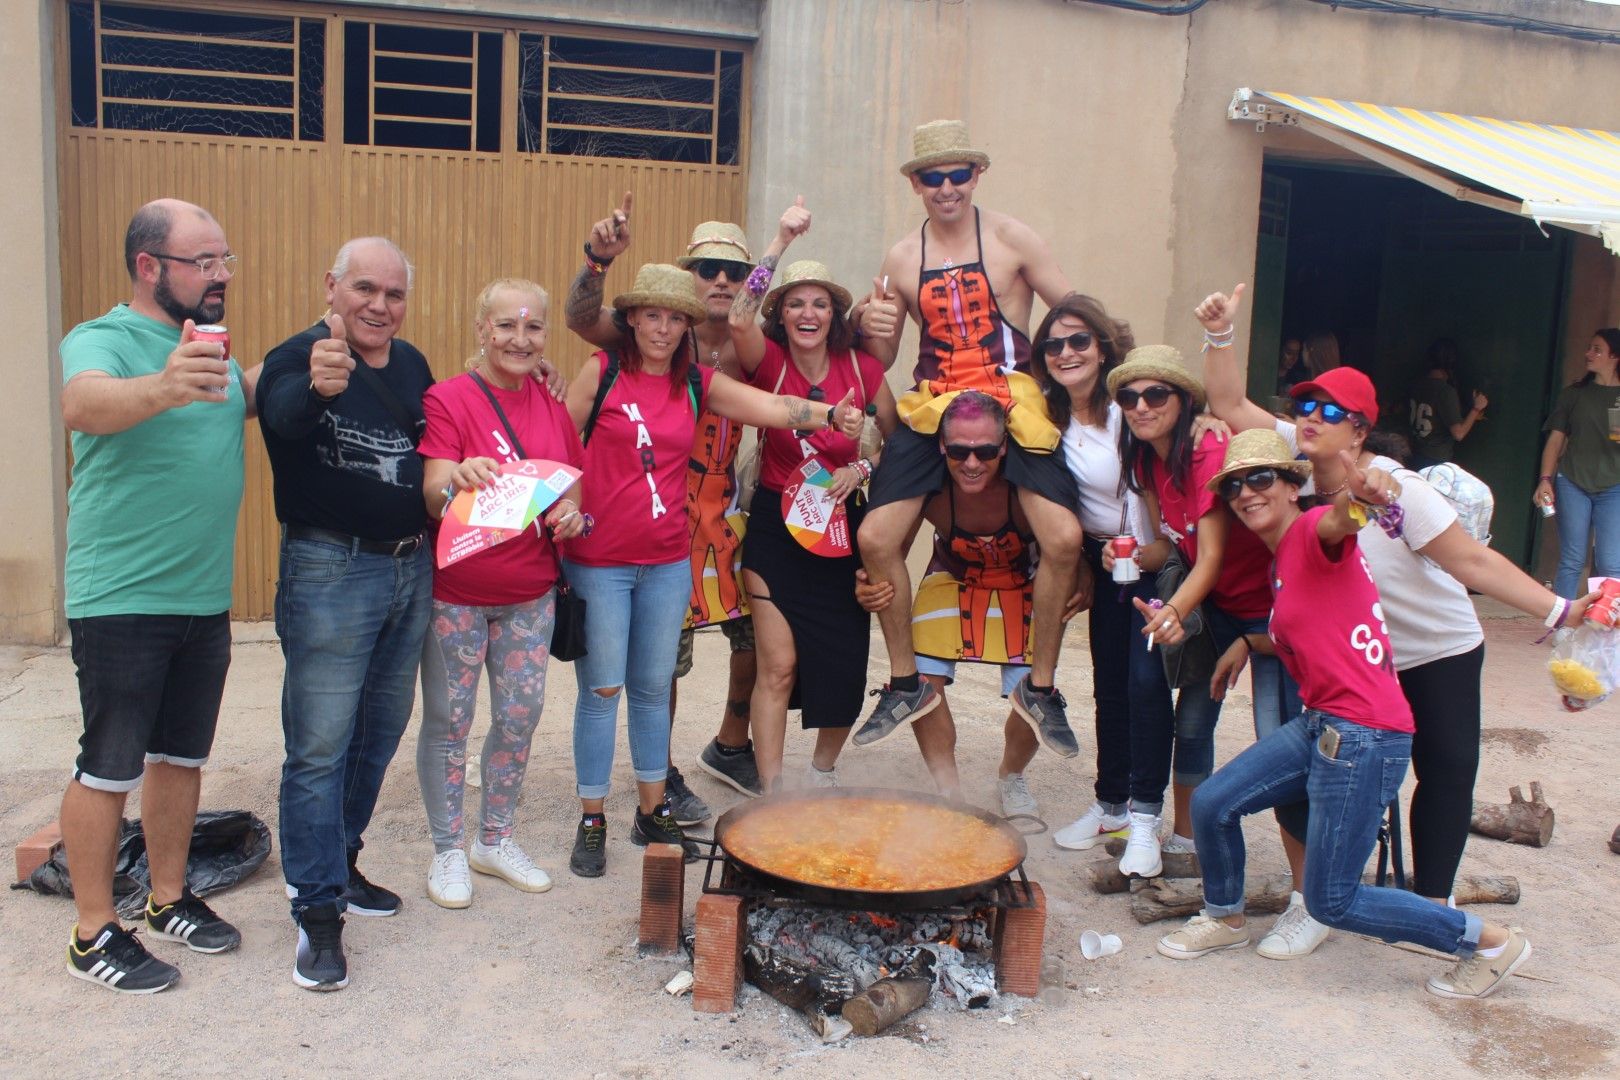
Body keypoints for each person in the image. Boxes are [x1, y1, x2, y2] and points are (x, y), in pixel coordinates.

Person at [1199, 284, 1595, 959]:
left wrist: (1560, 611)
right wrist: (1219, 334)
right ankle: (1316, 899)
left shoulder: (1398, 489)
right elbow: (1231, 404)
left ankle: (1432, 908)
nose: (1311, 417)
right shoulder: (1299, 463)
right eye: (1304, 406)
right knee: (1312, 770)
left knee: (1443, 771)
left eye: (1330, 410)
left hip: (1433, 649)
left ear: (1359, 429)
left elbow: (1472, 561)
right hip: (1355, 661)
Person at [1156, 429, 1536, 1001]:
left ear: (1293, 486)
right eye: (1234, 486)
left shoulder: (1310, 532)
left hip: (1364, 736)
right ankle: (1225, 917)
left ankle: (1487, 943)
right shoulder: (1283, 559)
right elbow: (1317, 627)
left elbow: (1339, 521)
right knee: (1213, 803)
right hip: (1323, 723)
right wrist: (1247, 642)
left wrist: (1362, 498)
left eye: (1261, 478)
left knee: (1332, 900)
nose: (1246, 492)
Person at [561, 263, 863, 877]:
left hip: (667, 560)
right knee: (603, 691)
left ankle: (652, 811)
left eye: (675, 318)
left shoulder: (697, 381)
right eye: (652, 316)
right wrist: (562, 507)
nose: (663, 329)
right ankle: (592, 819)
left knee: (652, 690)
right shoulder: (603, 371)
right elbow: (558, 445)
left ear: (687, 326)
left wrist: (830, 416)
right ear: (632, 319)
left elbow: (773, 408)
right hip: (599, 560)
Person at [57, 199, 252, 993]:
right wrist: (165, 386)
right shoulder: (102, 338)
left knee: (180, 758)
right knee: (108, 767)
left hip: (202, 597)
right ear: (149, 267)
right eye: (202, 262)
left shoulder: (213, 351)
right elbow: (82, 403)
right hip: (121, 596)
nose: (220, 275)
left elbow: (249, 393)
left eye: (224, 259)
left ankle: (168, 898)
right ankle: (92, 932)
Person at [854, 120, 1081, 755]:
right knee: (875, 539)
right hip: (934, 406)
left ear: (977, 175)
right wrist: (868, 326)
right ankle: (906, 682)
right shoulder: (901, 257)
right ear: (916, 183)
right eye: (934, 176)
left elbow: (1074, 315)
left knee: (1064, 539)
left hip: (1012, 402)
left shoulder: (1014, 239)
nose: (947, 187)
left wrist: (1096, 387)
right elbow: (883, 354)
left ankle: (1040, 686)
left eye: (958, 174)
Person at [258, 236, 433, 991]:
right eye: (365, 289)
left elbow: (444, 439)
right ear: (332, 286)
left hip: (410, 567)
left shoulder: (414, 365)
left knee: (379, 733)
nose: (379, 306)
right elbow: (282, 415)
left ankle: (343, 859)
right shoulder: (297, 357)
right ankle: (317, 910)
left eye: (393, 294)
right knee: (319, 747)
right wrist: (318, 387)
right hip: (330, 571)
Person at [564, 195, 763, 814]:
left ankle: (730, 744)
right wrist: (597, 260)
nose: (721, 280)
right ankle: (661, 774)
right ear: (686, 277)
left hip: (724, 516)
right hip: (656, 524)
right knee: (660, 666)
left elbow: (799, 380)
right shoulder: (646, 339)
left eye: (735, 271)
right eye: (707, 269)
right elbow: (580, 316)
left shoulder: (754, 345)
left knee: (755, 635)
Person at [414, 279, 586, 910]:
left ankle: (494, 839)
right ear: (482, 330)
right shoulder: (449, 398)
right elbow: (432, 492)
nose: (520, 338)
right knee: (449, 722)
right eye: (507, 326)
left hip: (530, 596)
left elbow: (571, 489)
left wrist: (573, 517)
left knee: (519, 718)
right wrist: (455, 479)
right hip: (456, 595)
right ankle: (447, 849)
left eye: (533, 327)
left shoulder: (552, 405)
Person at [1103, 345, 1303, 888]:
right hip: (1215, 608)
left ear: (1183, 399)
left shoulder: (1206, 450)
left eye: (1155, 394)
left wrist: (1173, 611)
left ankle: (1308, 889)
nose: (1141, 406)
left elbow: (1210, 557)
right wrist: (1118, 555)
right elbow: (1171, 547)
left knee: (1280, 739)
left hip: (1268, 612)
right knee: (1191, 720)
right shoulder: (1144, 459)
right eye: (1129, 397)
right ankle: (1184, 840)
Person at [725, 211, 897, 792]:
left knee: (844, 661)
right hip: (776, 526)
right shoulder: (768, 363)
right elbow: (738, 316)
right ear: (781, 314)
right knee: (778, 666)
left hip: (841, 527)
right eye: (795, 303)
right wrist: (780, 240)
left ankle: (822, 772)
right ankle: (773, 792)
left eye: (820, 303)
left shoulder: (862, 368)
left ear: (833, 316)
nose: (807, 313)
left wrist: (861, 466)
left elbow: (897, 444)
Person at [1022, 295, 1179, 861]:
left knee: (1146, 684)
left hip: (1155, 557)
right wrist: (1088, 563)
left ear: (1104, 345)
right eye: (1053, 344)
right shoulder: (1047, 419)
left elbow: (1173, 459)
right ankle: (1111, 805)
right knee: (1110, 685)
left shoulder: (1130, 406)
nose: (1066, 352)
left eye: (1079, 340)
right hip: (1105, 559)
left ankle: (1145, 818)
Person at [854, 392, 1038, 803]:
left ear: (1003, 447)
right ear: (942, 447)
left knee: (1034, 694)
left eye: (984, 452)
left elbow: (1060, 550)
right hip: (952, 575)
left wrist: (1078, 577)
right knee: (921, 680)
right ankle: (947, 788)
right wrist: (870, 582)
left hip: (1019, 580)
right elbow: (892, 549)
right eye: (959, 452)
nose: (971, 464)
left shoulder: (1024, 485)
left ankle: (1011, 777)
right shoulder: (930, 485)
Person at [1535, 328, 1620, 599]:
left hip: (1614, 486)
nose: (1588, 354)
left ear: (1615, 356)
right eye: (1590, 347)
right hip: (1573, 481)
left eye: (1597, 349)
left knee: (1611, 563)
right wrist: (1545, 480)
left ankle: (1605, 621)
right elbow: (1555, 441)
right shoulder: (1574, 394)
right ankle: (1564, 619)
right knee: (1572, 558)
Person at [1408, 338, 1487, 468]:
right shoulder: (1445, 391)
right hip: (1436, 460)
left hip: (1416, 454)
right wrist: (1476, 409)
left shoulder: (1417, 384)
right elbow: (1459, 434)